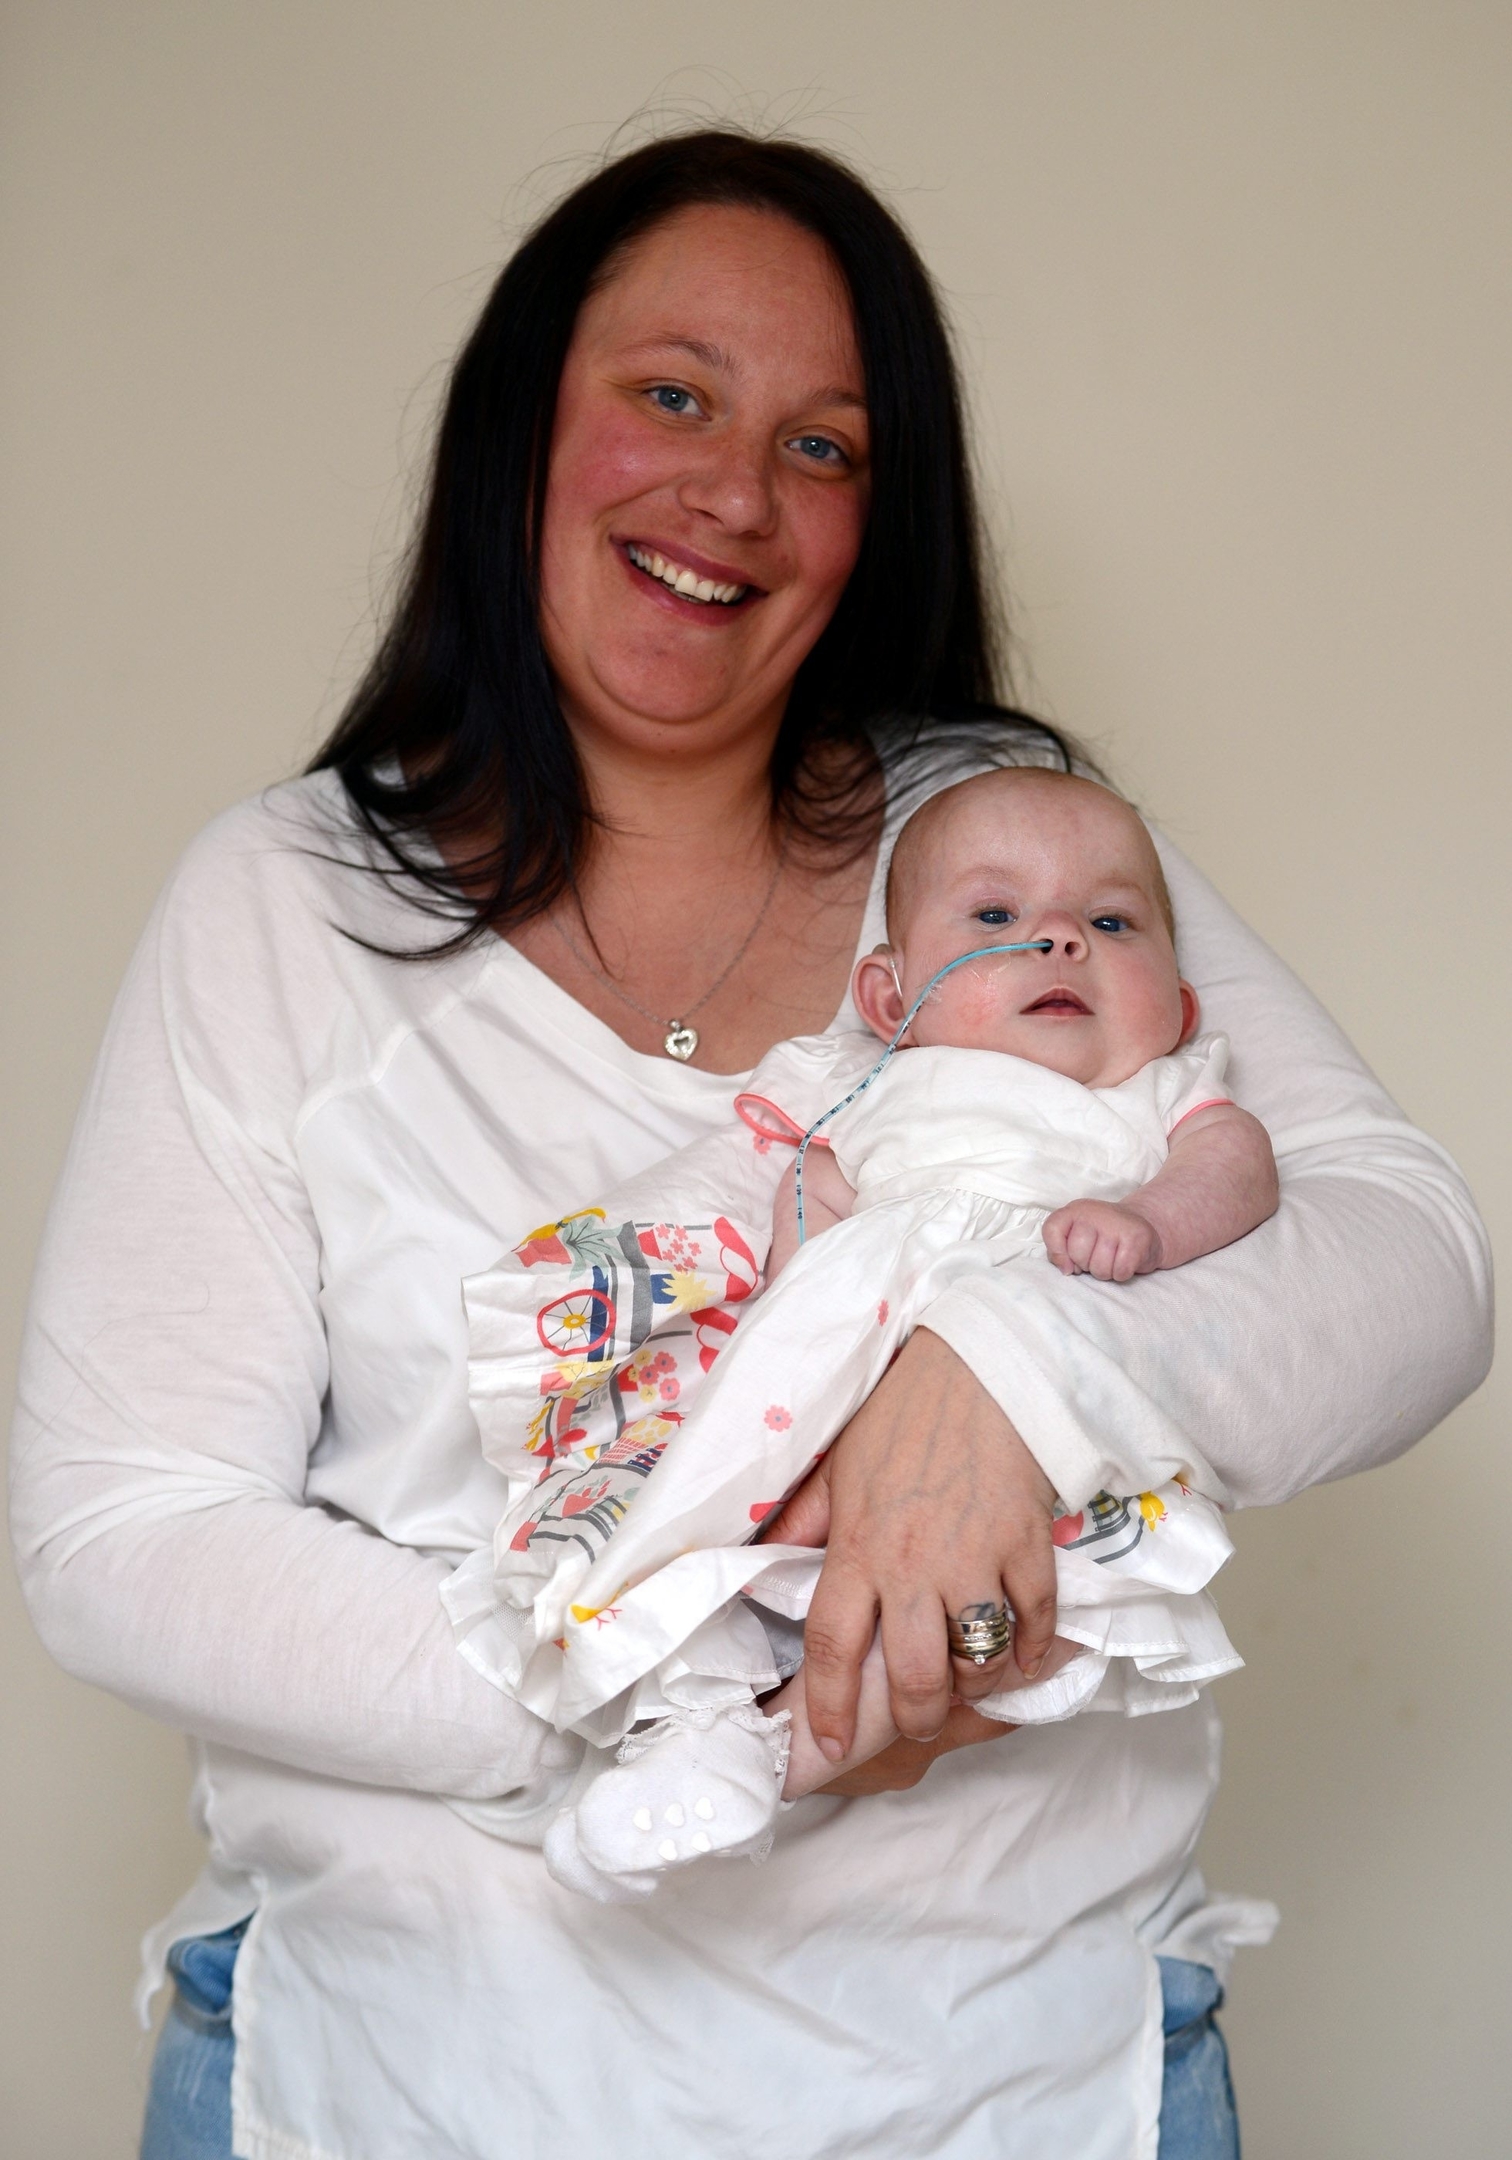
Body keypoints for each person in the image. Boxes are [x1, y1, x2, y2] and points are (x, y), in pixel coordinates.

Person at [8, 130, 1489, 2160]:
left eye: (826, 446)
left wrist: (1025, 1375)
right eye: (673, 394)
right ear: (523, 427)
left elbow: (1410, 1260)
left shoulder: (1007, 850)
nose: (733, 493)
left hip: (1011, 2083)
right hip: (402, 2088)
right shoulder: (284, 905)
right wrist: (692, 1667)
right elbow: (122, 1535)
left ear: (881, 524)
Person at [459, 768, 1273, 1903]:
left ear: (1178, 1008)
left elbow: (1238, 1169)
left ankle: (775, 1755)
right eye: (995, 918)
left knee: (996, 1602)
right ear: (890, 1001)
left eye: (1111, 921)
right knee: (703, 1532)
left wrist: (1149, 1220)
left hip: (1042, 1418)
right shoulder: (876, 1086)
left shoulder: (1158, 1094)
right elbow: (811, 1201)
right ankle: (689, 1724)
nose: (1058, 943)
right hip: (835, 1366)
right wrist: (789, 1316)